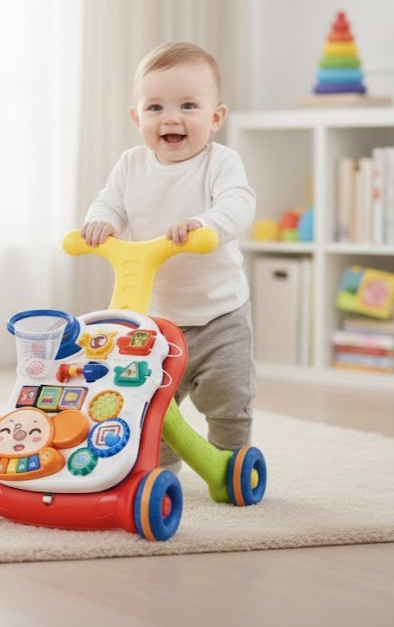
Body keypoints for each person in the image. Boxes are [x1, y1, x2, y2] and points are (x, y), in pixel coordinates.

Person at [80, 41, 257, 471]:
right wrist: (101, 223)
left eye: (189, 106)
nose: (172, 118)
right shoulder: (130, 165)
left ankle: (231, 462)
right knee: (149, 401)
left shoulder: (221, 163)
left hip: (219, 315)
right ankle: (158, 473)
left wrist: (206, 225)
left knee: (229, 399)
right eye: (155, 107)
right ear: (136, 117)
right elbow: (111, 204)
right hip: (155, 319)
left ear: (216, 117)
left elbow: (239, 203)